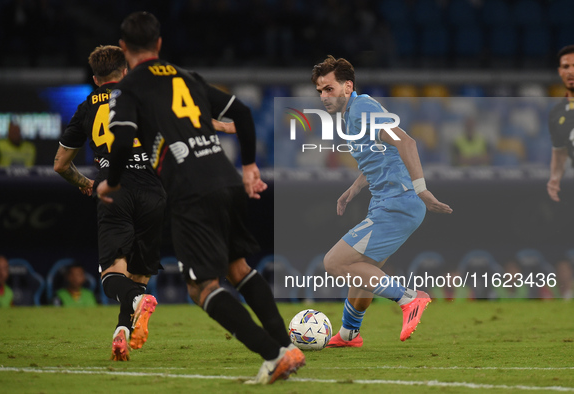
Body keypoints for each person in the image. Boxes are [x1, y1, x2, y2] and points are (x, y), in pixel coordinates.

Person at [96, 12, 305, 384]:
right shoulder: (186, 76)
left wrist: (111, 182)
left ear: (124, 48)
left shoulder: (129, 90)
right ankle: (287, 346)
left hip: (191, 191)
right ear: (159, 44)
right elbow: (241, 111)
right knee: (238, 268)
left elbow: (124, 140)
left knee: (202, 288)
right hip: (225, 177)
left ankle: (274, 355)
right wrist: (250, 167)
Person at [311, 56, 453, 348]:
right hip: (388, 203)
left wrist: (422, 189)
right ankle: (350, 334)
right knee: (361, 271)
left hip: (399, 203)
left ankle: (409, 298)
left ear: (347, 86)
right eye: (320, 91)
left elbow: (406, 142)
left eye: (328, 88)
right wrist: (354, 189)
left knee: (334, 262)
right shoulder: (351, 116)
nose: (323, 96)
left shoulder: (362, 108)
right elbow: (377, 157)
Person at [53, 45, 166, 361]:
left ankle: (133, 309)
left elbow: (60, 164)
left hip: (113, 191)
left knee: (112, 278)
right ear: (126, 71)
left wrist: (86, 183)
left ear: (94, 78)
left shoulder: (87, 107)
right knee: (138, 278)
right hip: (153, 194)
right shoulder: (145, 96)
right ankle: (122, 334)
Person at [547, 45, 574, 202]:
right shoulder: (556, 114)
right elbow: (559, 152)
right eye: (566, 66)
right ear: (560, 72)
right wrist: (555, 178)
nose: (571, 71)